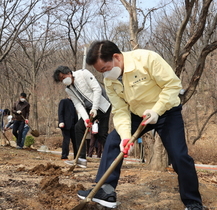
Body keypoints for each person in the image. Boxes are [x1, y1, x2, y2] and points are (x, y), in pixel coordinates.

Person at [77, 40, 203, 210]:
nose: (105, 75)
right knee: (114, 141)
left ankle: (193, 202)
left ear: (116, 57)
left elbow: (172, 85)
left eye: (105, 69)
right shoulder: (110, 80)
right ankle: (105, 190)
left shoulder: (146, 59)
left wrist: (157, 110)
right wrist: (125, 137)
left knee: (179, 155)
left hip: (166, 111)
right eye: (100, 72)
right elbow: (120, 110)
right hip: (137, 114)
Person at [53, 66, 111, 168]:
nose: (64, 80)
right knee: (78, 128)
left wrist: (95, 108)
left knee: (102, 134)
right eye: (61, 80)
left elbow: (97, 89)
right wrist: (86, 119)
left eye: (64, 77)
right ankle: (82, 159)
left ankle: (111, 159)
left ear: (69, 73)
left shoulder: (83, 74)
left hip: (102, 105)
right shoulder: (69, 89)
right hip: (89, 109)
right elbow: (78, 104)